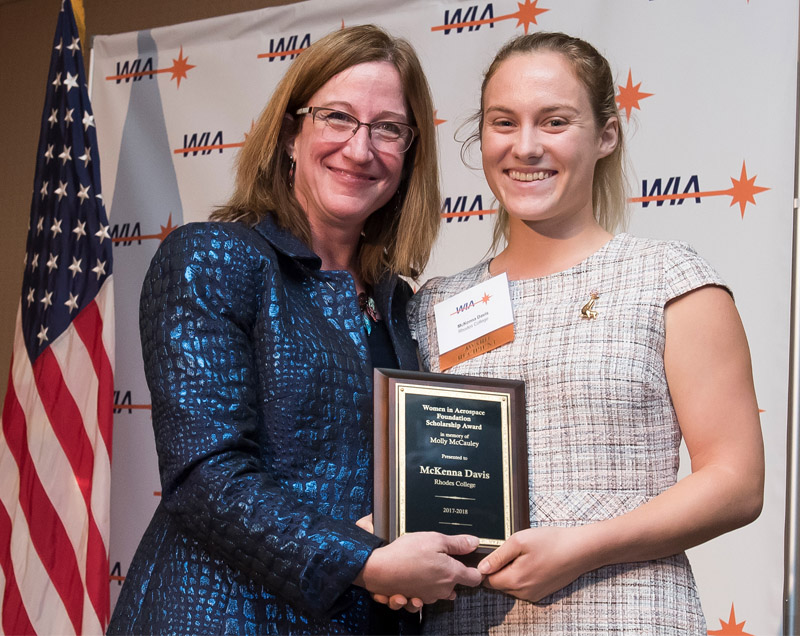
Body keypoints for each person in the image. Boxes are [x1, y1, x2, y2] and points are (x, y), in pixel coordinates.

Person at [107, 25, 482, 636]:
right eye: (337, 117)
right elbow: (206, 478)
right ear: (288, 132)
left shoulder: (401, 305)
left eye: (388, 128)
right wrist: (364, 560)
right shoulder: (212, 258)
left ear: (410, 153)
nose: (361, 150)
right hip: (224, 615)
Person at [404, 32, 764, 634]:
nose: (525, 146)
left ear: (606, 135)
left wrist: (585, 547)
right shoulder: (434, 305)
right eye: (503, 122)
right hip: (467, 620)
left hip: (630, 615)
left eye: (554, 121)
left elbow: (736, 481)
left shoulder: (670, 278)